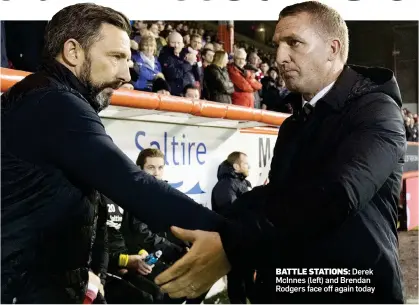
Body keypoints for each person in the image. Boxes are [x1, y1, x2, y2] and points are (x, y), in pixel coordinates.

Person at [154, 1, 406, 304]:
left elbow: (338, 195)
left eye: (294, 43)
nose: (280, 57)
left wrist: (233, 244)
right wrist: (211, 228)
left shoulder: (377, 110)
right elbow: (276, 199)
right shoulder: (294, 125)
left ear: (332, 49)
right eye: (277, 45)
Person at [1, 4, 229, 303]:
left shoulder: (37, 96)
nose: (126, 72)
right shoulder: (56, 103)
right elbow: (135, 184)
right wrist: (234, 237)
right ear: (73, 52)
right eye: (116, 57)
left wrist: (86, 273)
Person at [211, 152, 254, 304]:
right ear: (236, 166)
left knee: (248, 280)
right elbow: (230, 214)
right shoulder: (225, 185)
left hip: (245, 240)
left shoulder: (241, 183)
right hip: (234, 243)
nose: (248, 166)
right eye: (245, 164)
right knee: (237, 281)